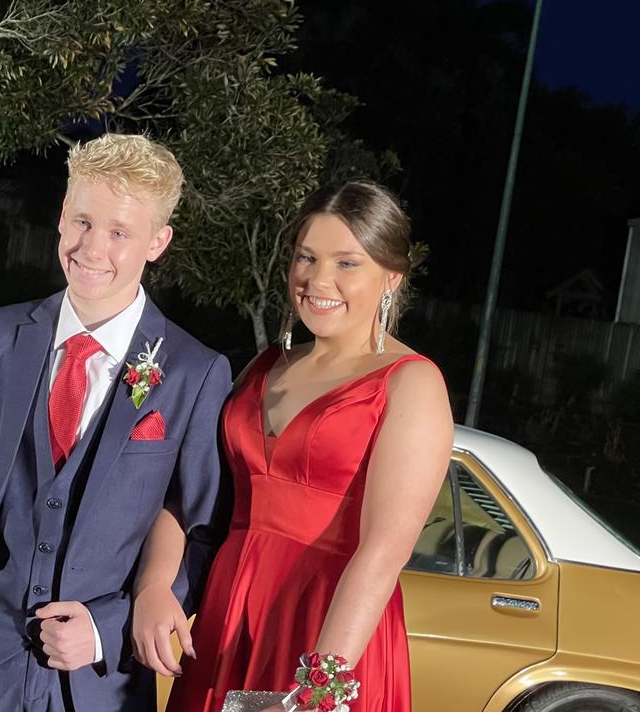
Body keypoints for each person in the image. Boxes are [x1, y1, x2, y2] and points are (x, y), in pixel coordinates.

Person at [0, 133, 232, 712]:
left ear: (158, 242)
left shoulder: (194, 373)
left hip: (100, 683)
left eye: (119, 232)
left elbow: (203, 534)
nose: (92, 247)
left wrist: (110, 625)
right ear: (60, 219)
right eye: (82, 221)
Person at [134, 181, 454, 711]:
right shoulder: (263, 368)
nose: (317, 279)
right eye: (306, 257)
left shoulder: (410, 383)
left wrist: (316, 694)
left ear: (390, 279)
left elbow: (381, 555)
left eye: (347, 263)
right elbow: (193, 494)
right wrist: (155, 585)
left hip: (324, 637)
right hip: (227, 622)